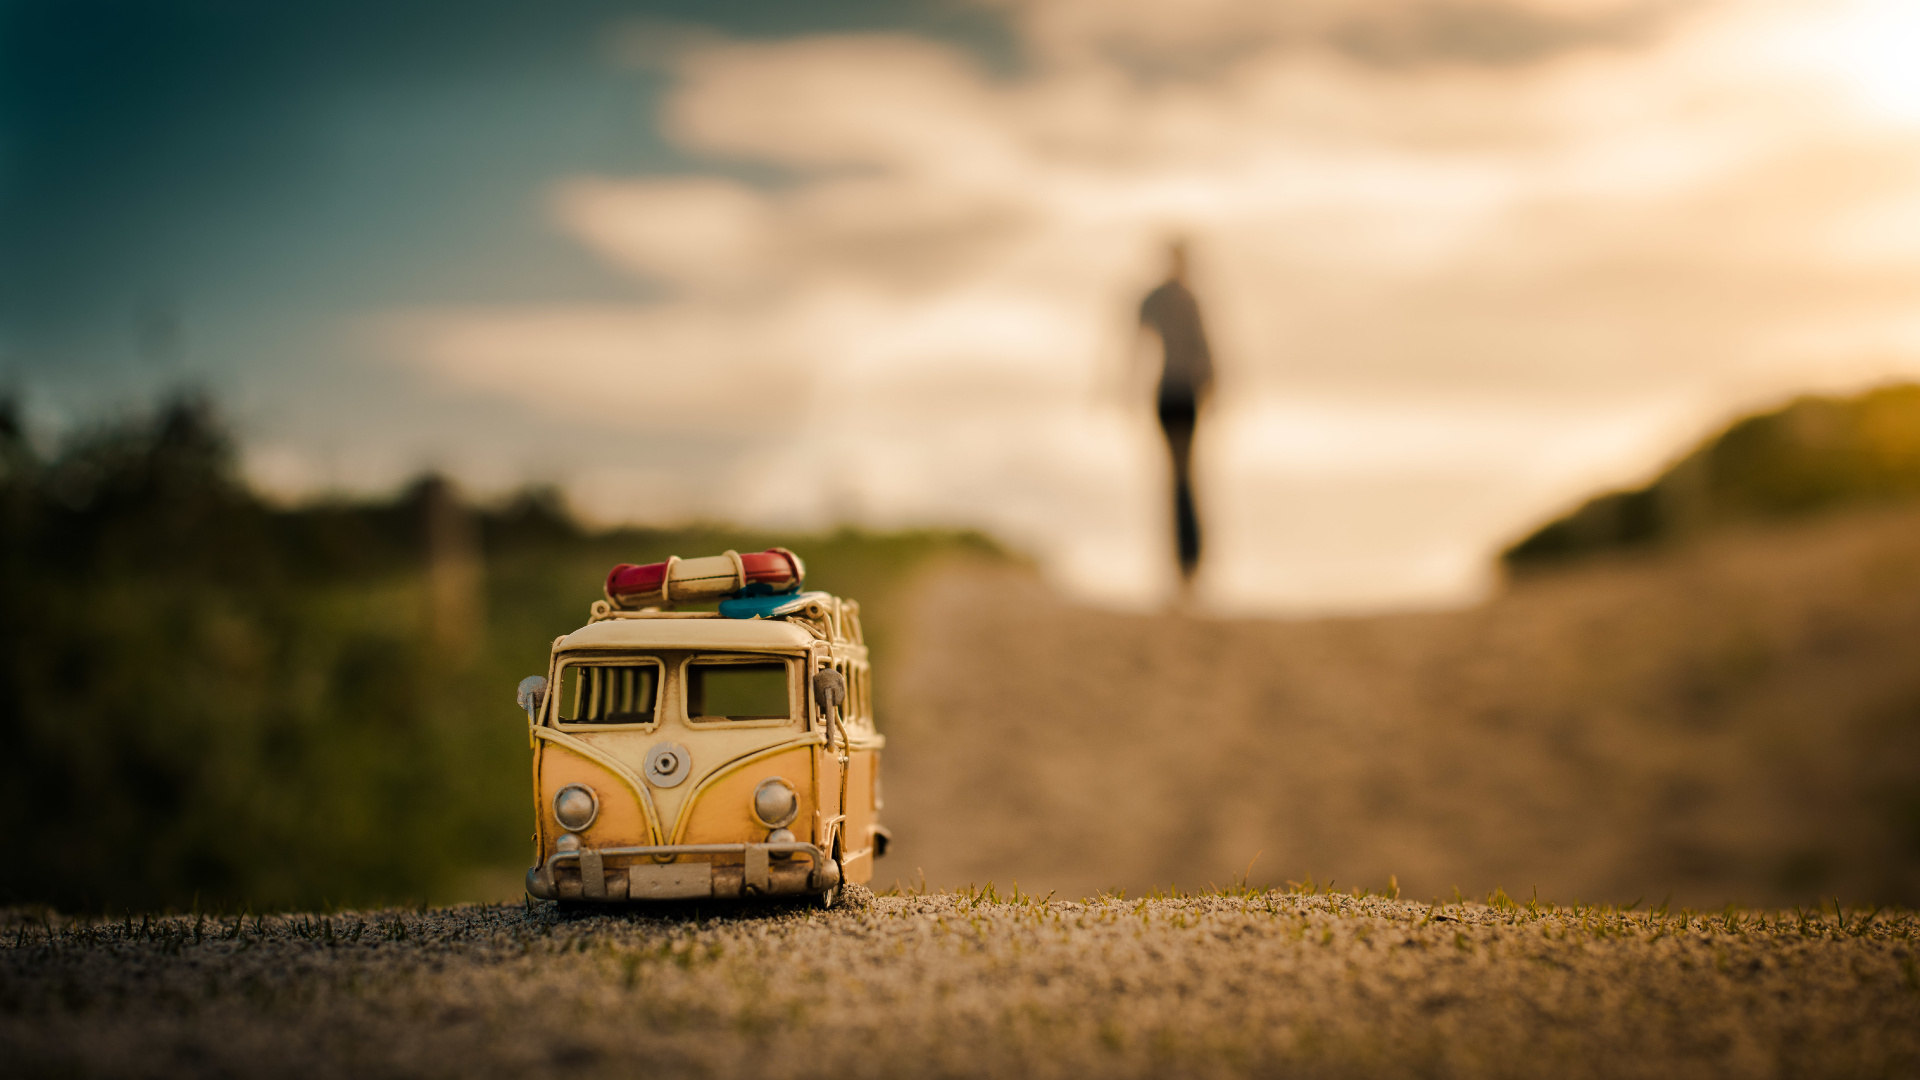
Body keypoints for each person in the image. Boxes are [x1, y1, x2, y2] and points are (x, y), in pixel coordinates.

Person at [1138, 240, 1214, 588]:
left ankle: (1187, 563)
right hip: (1176, 393)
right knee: (1181, 475)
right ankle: (1186, 563)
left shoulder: (1165, 299)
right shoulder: (1180, 299)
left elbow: (1207, 353)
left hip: (1176, 393)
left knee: (1180, 476)